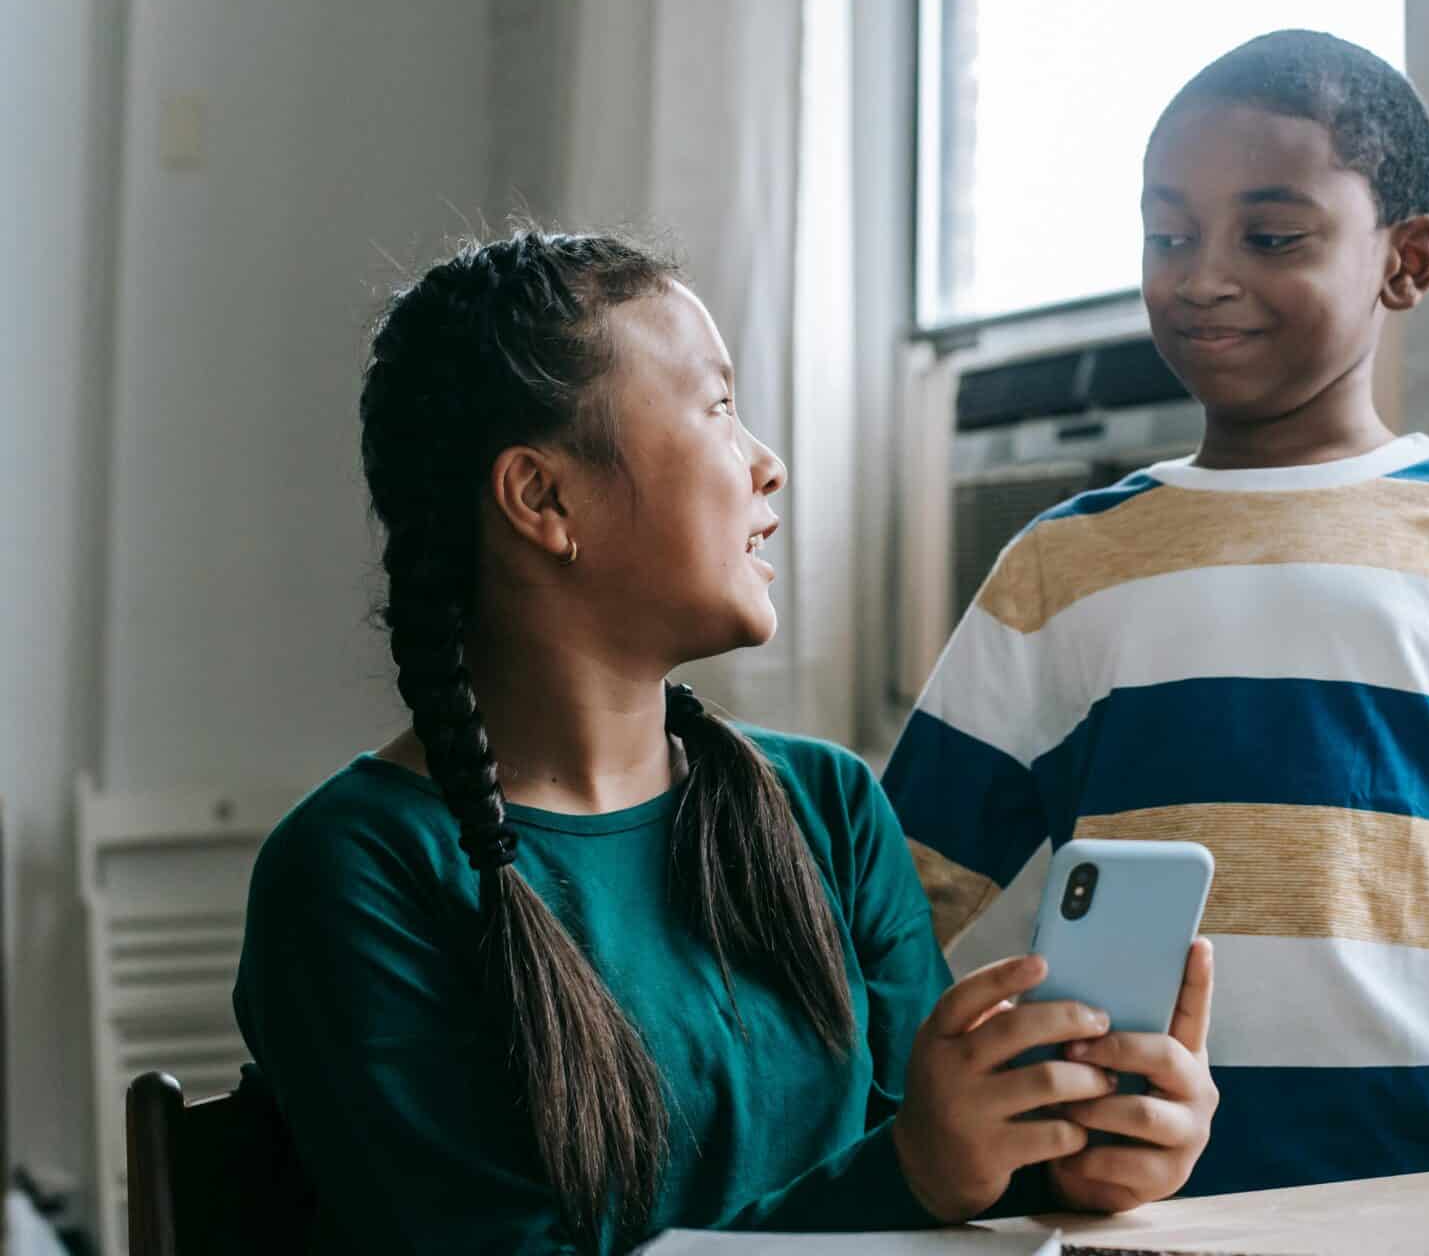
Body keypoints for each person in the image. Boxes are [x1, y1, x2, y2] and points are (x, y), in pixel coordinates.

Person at [232, 231, 1217, 1253]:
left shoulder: (827, 805)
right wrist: (918, 1169)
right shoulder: (354, 871)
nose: (767, 462)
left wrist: (1068, 1161)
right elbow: (902, 1177)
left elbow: (936, 1187)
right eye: (716, 406)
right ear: (543, 497)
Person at [884, 31, 1429, 1195]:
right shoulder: (1061, 561)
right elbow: (890, 899)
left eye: (1271, 236)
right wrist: (908, 1126)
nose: (1202, 276)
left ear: (1409, 260)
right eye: (1168, 234)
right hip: (1126, 1202)